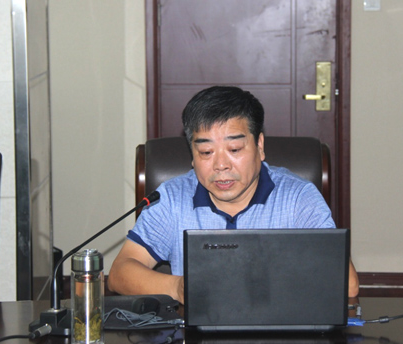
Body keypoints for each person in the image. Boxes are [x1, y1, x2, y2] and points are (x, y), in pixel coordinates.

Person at [108, 86, 359, 303]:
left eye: (235, 149)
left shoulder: (298, 197)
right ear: (192, 156)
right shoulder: (172, 198)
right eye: (206, 152)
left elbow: (346, 285)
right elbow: (120, 273)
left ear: (259, 146)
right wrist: (177, 288)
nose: (221, 165)